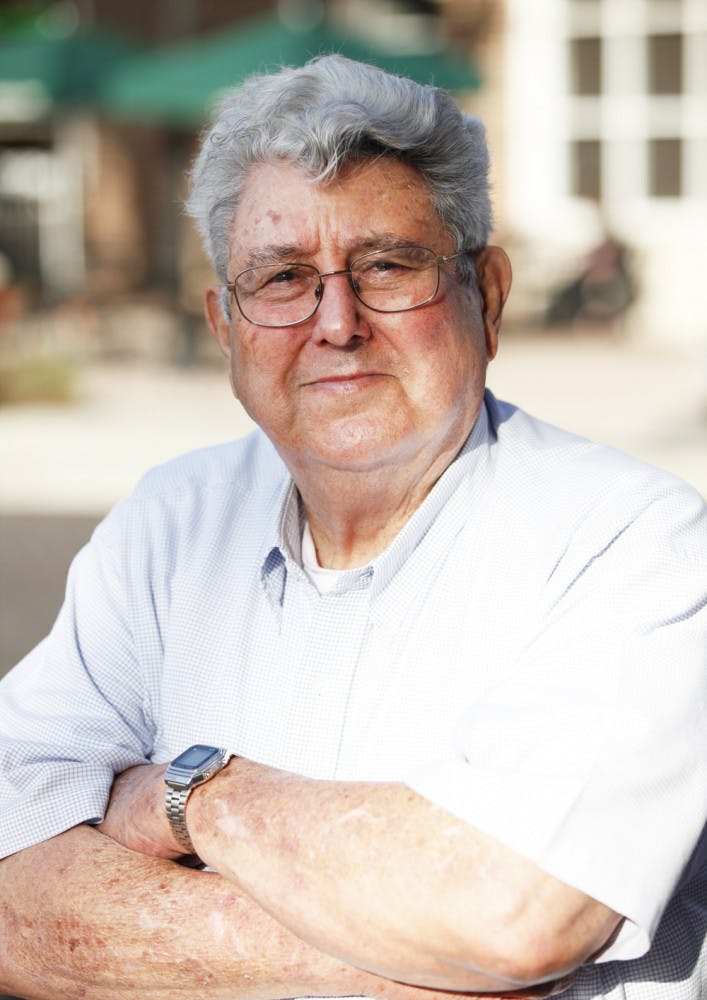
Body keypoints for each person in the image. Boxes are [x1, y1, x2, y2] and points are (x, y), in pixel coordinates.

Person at [0, 54, 704, 1000]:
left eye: (387, 265)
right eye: (283, 277)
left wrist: (193, 798)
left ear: (487, 299)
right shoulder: (170, 523)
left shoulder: (634, 545)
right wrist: (414, 963)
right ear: (225, 328)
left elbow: (509, 914)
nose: (336, 322)